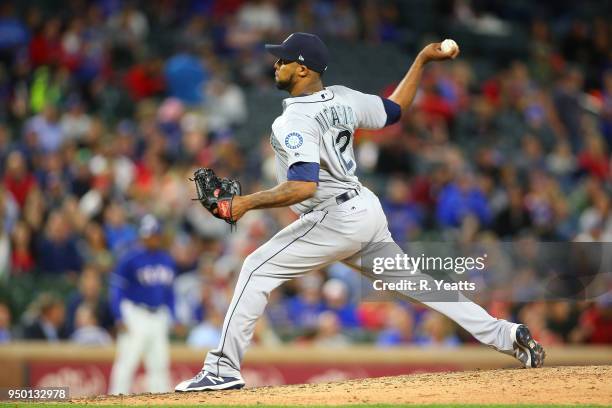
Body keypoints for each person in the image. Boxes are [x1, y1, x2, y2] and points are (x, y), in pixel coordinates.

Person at [175, 32, 545, 392]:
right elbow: (395, 109)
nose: (276, 64)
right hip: (365, 210)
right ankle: (508, 335)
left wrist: (243, 203)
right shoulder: (343, 98)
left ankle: (222, 369)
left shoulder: (293, 120)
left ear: (303, 69)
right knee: (420, 286)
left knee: (255, 268)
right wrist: (421, 61)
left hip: (335, 217)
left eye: (283, 59)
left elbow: (305, 186)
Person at [108, 214, 177, 394]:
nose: (151, 238)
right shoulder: (130, 258)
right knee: (127, 362)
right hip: (135, 314)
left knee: (160, 365)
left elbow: (169, 293)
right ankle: (115, 401)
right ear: (141, 236)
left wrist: (173, 315)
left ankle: (161, 402)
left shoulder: (166, 259)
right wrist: (118, 315)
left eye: (154, 235)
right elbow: (116, 289)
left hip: (159, 316)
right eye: (147, 235)